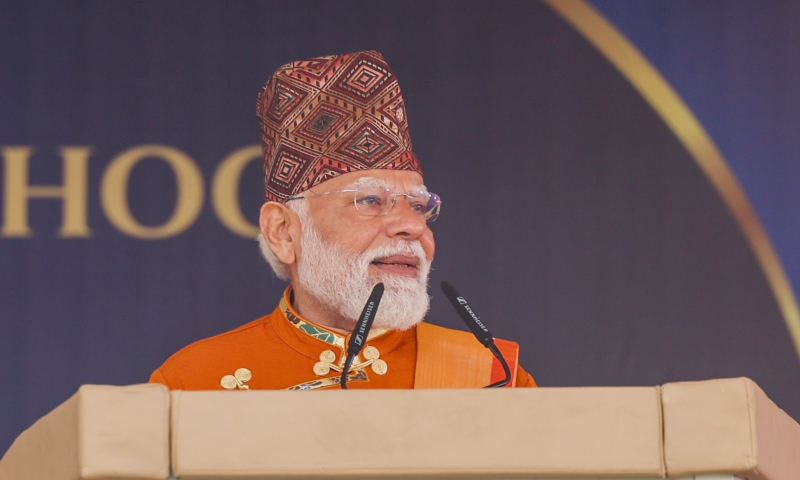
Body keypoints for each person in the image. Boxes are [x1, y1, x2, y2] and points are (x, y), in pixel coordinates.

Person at [150, 50, 536, 391]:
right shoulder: (195, 381)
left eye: (418, 206)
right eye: (371, 200)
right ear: (283, 232)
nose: (413, 227)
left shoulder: (496, 376)